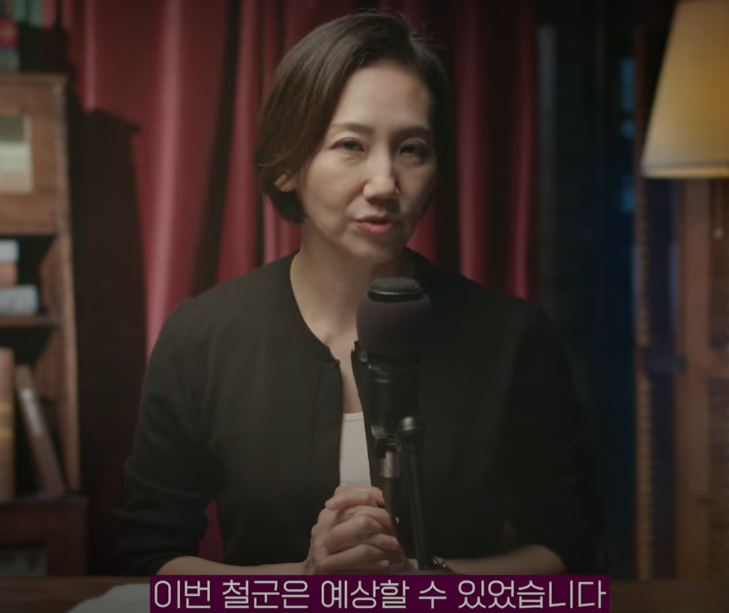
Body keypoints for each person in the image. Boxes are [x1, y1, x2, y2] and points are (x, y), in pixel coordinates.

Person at [117, 10, 597, 576]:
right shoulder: (202, 337)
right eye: (351, 145)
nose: (385, 183)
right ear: (288, 164)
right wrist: (304, 583)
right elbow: (148, 557)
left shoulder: (512, 338)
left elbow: (568, 549)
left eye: (411, 148)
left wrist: (423, 582)